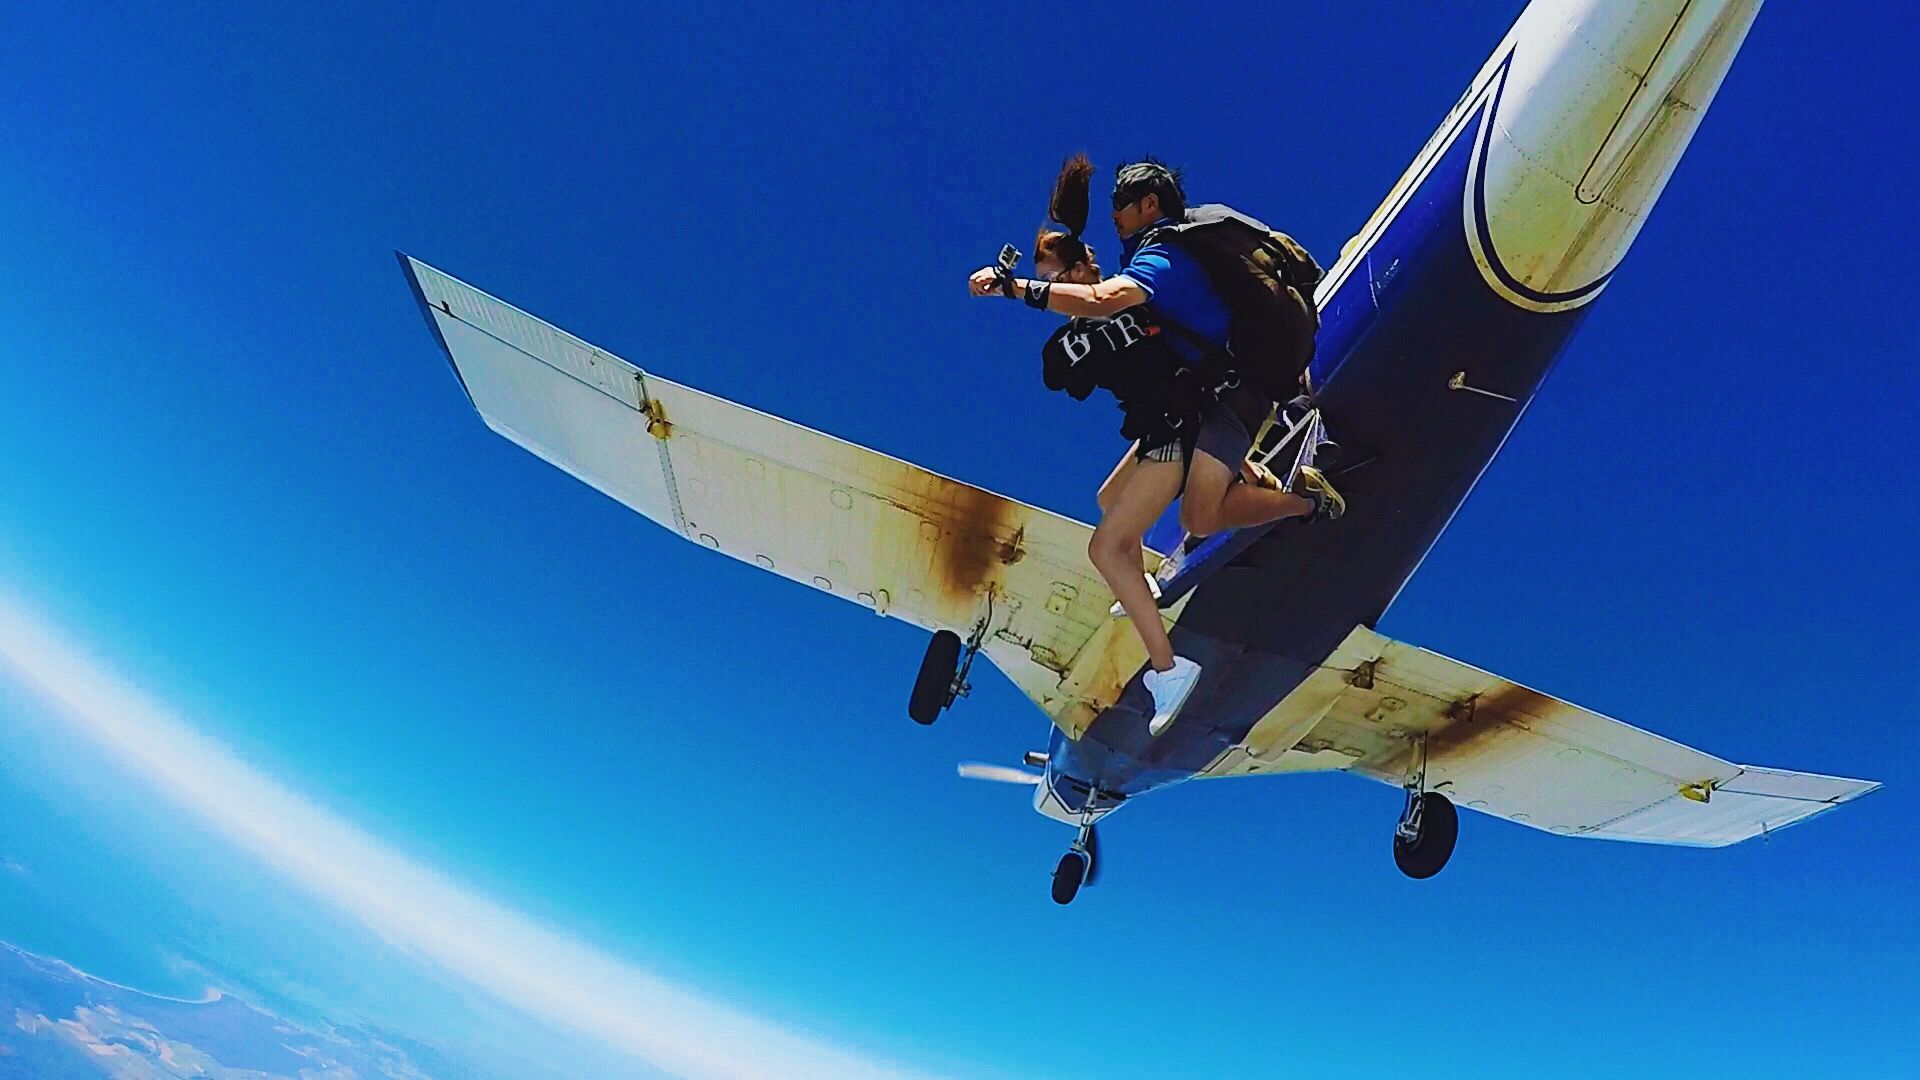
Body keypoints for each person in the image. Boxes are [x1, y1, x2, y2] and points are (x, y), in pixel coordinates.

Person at [970, 157, 1345, 736]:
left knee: (1124, 542)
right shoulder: (1147, 269)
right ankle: (1253, 501)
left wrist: (1019, 289)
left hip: (1199, 410)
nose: (1114, 216)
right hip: (1191, 408)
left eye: (1122, 204)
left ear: (1149, 205)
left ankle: (1170, 667)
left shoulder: (1163, 254)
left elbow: (1102, 302)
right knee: (1109, 498)